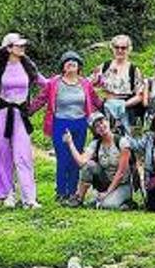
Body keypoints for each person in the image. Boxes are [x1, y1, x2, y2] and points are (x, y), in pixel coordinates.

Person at [30, 51, 103, 201]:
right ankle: (61, 192)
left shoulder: (85, 83)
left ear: (79, 67)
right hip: (61, 123)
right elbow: (41, 99)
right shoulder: (54, 83)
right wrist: (27, 111)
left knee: (76, 158)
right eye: (68, 62)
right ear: (63, 67)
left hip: (80, 123)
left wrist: (107, 109)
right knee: (63, 158)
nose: (71, 64)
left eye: (74, 62)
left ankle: (73, 191)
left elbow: (95, 100)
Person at [0, 33, 47, 208]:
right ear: (8, 48)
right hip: (1, 114)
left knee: (23, 154)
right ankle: (7, 194)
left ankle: (29, 198)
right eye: (18, 45)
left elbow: (46, 83)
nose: (22, 48)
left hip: (20, 115)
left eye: (23, 45)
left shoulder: (27, 66)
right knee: (1, 155)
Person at [62, 112, 135, 210]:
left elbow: (121, 173)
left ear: (108, 122)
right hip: (105, 181)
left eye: (102, 122)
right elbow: (82, 162)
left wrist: (107, 193)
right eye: (96, 126)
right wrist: (70, 143)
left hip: (122, 184)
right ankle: (79, 198)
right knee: (89, 165)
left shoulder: (122, 142)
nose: (101, 126)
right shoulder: (96, 144)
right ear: (95, 131)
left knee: (108, 205)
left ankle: (127, 203)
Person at [93, 35, 144, 135]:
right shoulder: (104, 66)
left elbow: (140, 95)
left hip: (127, 108)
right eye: (117, 47)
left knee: (130, 140)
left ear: (129, 49)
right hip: (107, 107)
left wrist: (124, 105)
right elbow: (90, 85)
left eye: (123, 48)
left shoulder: (133, 70)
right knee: (105, 138)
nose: (120, 50)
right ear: (112, 48)